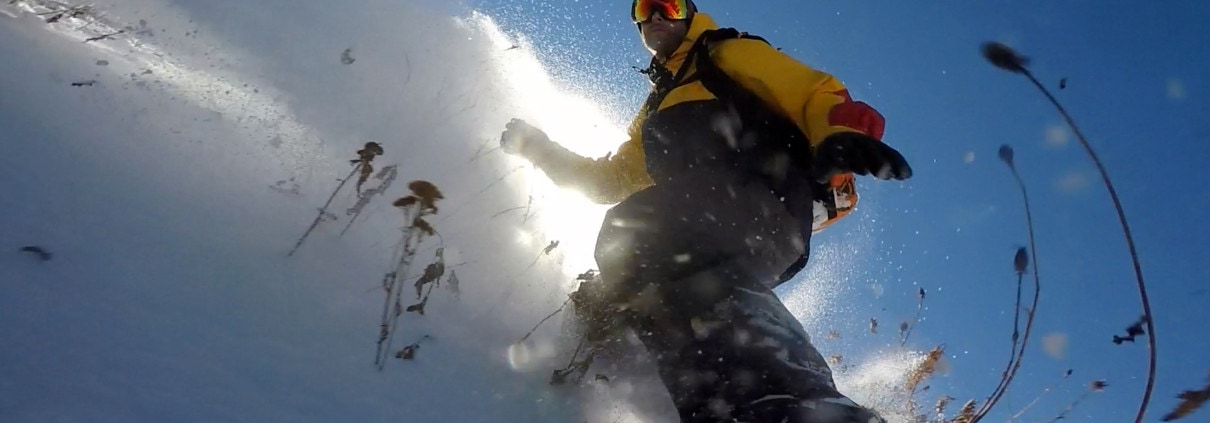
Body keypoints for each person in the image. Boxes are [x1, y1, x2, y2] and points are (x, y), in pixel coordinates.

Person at [499, 0, 912, 421]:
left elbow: (813, 90)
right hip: (708, 225)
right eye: (645, 8)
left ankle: (802, 402)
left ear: (690, 15)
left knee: (640, 230)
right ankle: (718, 406)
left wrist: (841, 134)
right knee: (630, 277)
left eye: (670, 6)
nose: (657, 16)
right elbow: (611, 180)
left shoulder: (724, 53)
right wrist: (539, 149)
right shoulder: (658, 108)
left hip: (764, 199)